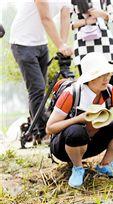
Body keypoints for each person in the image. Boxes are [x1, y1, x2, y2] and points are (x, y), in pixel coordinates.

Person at [46, 52, 113, 188]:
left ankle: (105, 164)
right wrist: (78, 119)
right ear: (89, 78)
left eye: (107, 74)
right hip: (65, 147)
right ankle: (77, 168)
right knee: (76, 131)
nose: (106, 79)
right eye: (101, 75)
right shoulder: (72, 94)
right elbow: (50, 128)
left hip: (91, 142)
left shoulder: (109, 91)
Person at [10, 0, 73, 143]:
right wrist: (60, 44)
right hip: (22, 43)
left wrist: (63, 44)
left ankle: (37, 130)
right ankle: (43, 132)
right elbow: (45, 18)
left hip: (41, 44)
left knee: (40, 90)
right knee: (37, 89)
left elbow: (65, 16)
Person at [71, 0, 113, 93]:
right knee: (86, 81)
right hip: (83, 44)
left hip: (104, 41)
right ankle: (84, 106)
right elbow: (68, 23)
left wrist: (102, 14)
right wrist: (86, 21)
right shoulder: (72, 1)